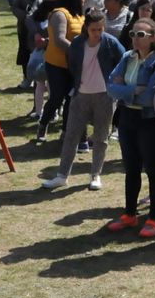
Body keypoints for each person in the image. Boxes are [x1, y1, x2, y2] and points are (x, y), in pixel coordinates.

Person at [41, 10, 122, 190]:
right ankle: (62, 175)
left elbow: (123, 61)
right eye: (94, 29)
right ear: (86, 27)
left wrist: (115, 83)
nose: (97, 33)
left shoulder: (110, 43)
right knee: (71, 136)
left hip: (104, 96)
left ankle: (95, 175)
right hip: (80, 95)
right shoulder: (77, 44)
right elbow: (72, 64)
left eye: (101, 29)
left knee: (101, 137)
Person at [105, 16, 155, 236]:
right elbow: (110, 86)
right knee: (131, 168)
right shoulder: (127, 56)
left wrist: (124, 90)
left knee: (152, 168)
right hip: (127, 119)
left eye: (140, 35)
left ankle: (154, 218)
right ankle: (130, 214)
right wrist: (133, 91)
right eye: (133, 34)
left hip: (149, 121)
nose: (135, 38)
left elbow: (150, 97)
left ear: (153, 38)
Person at [35, 0, 84, 144]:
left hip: (74, 65)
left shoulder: (80, 15)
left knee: (72, 99)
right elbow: (59, 40)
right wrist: (79, 51)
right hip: (57, 64)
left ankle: (66, 131)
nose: (83, 0)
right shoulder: (59, 14)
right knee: (57, 97)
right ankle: (43, 124)